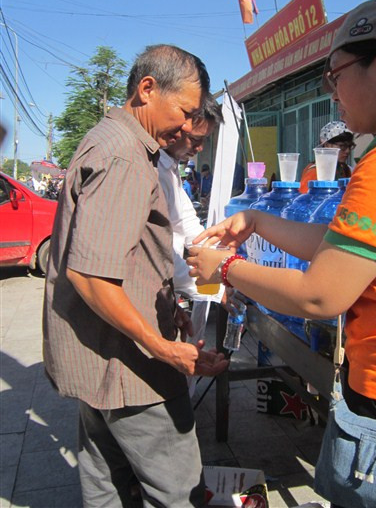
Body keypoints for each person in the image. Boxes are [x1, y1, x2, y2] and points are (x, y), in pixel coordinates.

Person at [187, 0, 376, 507]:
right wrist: (258, 220)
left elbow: (319, 295)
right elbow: (340, 246)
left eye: (335, 75)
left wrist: (227, 267)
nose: (332, 94)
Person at [43, 44, 228, 508]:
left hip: (103, 356)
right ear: (147, 89)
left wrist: (166, 305)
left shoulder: (117, 141)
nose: (187, 126)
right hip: (130, 367)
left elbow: (126, 254)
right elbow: (90, 275)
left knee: (106, 482)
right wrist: (161, 347)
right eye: (184, 111)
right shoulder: (125, 155)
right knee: (177, 490)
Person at [158, 94, 223, 301]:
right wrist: (217, 291)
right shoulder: (154, 172)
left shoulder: (170, 168)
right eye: (195, 139)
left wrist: (220, 261)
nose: (200, 148)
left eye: (204, 140)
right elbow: (163, 254)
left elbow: (187, 223)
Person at [299, 120, 354, 193]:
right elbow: (303, 197)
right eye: (342, 146)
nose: (347, 151)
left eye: (350, 146)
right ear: (326, 145)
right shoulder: (315, 172)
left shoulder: (346, 170)